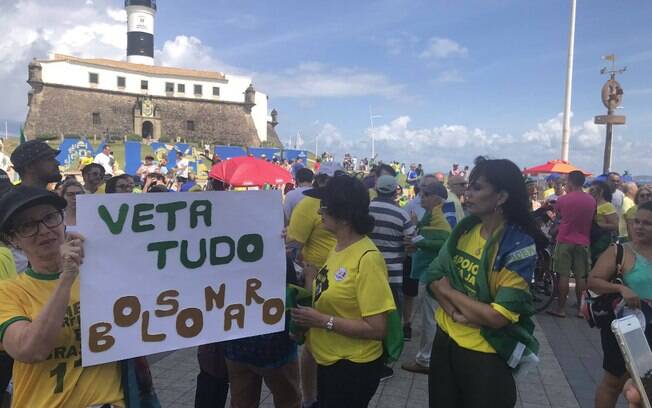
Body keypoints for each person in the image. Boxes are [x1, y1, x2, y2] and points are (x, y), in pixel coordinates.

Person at [425, 157, 544, 408]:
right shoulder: (465, 231)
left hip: (485, 354)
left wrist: (450, 293)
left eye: (477, 188)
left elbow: (497, 317)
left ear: (500, 197)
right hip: (445, 339)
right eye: (468, 187)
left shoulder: (518, 246)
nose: (467, 193)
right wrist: (458, 313)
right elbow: (434, 276)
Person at [0, 186, 125, 406]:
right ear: (13, 240)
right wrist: (66, 277)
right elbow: (29, 349)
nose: (44, 230)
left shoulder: (105, 275)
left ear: (63, 220)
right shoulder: (9, 292)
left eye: (50, 217)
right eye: (27, 225)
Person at [291, 175, 396, 408]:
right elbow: (329, 296)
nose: (319, 212)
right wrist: (310, 280)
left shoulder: (368, 259)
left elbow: (377, 328)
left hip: (352, 368)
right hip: (328, 361)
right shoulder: (338, 248)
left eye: (324, 207)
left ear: (345, 215)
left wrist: (322, 321)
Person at [588, 201, 652, 408]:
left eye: (647, 223)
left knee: (646, 387)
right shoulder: (620, 251)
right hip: (625, 325)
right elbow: (593, 281)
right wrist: (620, 288)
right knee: (614, 382)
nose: (640, 227)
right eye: (637, 222)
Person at [286, 174, 337, 408]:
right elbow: (293, 243)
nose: (320, 211)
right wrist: (308, 274)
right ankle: (309, 399)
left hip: (341, 275)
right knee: (312, 342)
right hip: (316, 279)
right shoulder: (308, 205)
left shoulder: (362, 252)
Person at [401, 181, 451, 375]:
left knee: (430, 318)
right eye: (422, 193)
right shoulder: (434, 214)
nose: (422, 197)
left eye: (427, 194)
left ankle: (425, 360)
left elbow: (444, 242)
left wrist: (418, 241)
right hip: (430, 272)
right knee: (431, 316)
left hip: (433, 274)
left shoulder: (439, 215)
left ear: (437, 198)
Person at [547, 170, 595, 318]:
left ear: (571, 182)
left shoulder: (563, 200)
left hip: (565, 239)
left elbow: (558, 216)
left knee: (563, 275)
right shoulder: (591, 200)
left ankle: (561, 309)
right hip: (583, 241)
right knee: (581, 276)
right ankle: (581, 310)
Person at [369, 175, 416, 315]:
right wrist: (415, 224)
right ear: (395, 191)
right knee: (393, 313)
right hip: (393, 271)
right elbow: (411, 241)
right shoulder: (401, 214)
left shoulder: (366, 209)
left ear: (377, 189)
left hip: (368, 268)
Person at [590, 180, 619, 264]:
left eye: (592, 190)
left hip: (601, 238)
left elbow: (614, 225)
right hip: (590, 237)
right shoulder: (591, 204)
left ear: (601, 191)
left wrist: (596, 225)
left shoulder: (607, 206)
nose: (589, 192)